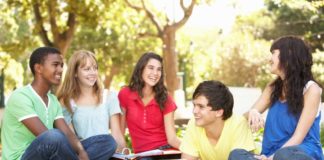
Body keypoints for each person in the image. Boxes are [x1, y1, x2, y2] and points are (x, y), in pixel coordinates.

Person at [229, 36, 323, 160]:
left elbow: (298, 137)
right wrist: (253, 111)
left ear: (288, 55)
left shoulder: (311, 89)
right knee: (237, 155)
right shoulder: (272, 88)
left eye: (273, 53)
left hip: (299, 154)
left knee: (283, 155)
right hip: (270, 155)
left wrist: (272, 158)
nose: (270, 59)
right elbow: (246, 117)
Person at [1, 47, 88, 160]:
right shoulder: (20, 96)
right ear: (38, 68)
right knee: (54, 136)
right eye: (55, 64)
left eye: (61, 65)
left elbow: (66, 132)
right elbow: (46, 136)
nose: (61, 69)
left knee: (105, 142)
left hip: (50, 153)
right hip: (22, 157)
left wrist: (81, 151)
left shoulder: (53, 100)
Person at [56, 50, 126, 159]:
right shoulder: (66, 102)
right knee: (108, 141)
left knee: (109, 142)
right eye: (87, 69)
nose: (93, 73)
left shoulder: (109, 97)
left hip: (106, 150)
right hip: (82, 150)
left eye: (95, 68)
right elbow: (70, 138)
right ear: (75, 73)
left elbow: (116, 135)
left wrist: (125, 154)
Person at [118, 52, 181, 155]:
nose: (155, 73)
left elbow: (172, 139)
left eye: (159, 69)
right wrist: (124, 155)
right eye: (151, 68)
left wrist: (194, 152)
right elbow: (120, 134)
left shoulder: (165, 98)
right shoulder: (125, 94)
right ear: (141, 69)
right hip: (143, 155)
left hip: (166, 151)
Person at [180, 80, 255, 160]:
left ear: (219, 112)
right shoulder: (193, 124)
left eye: (201, 107)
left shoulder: (238, 124)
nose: (194, 111)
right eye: (194, 105)